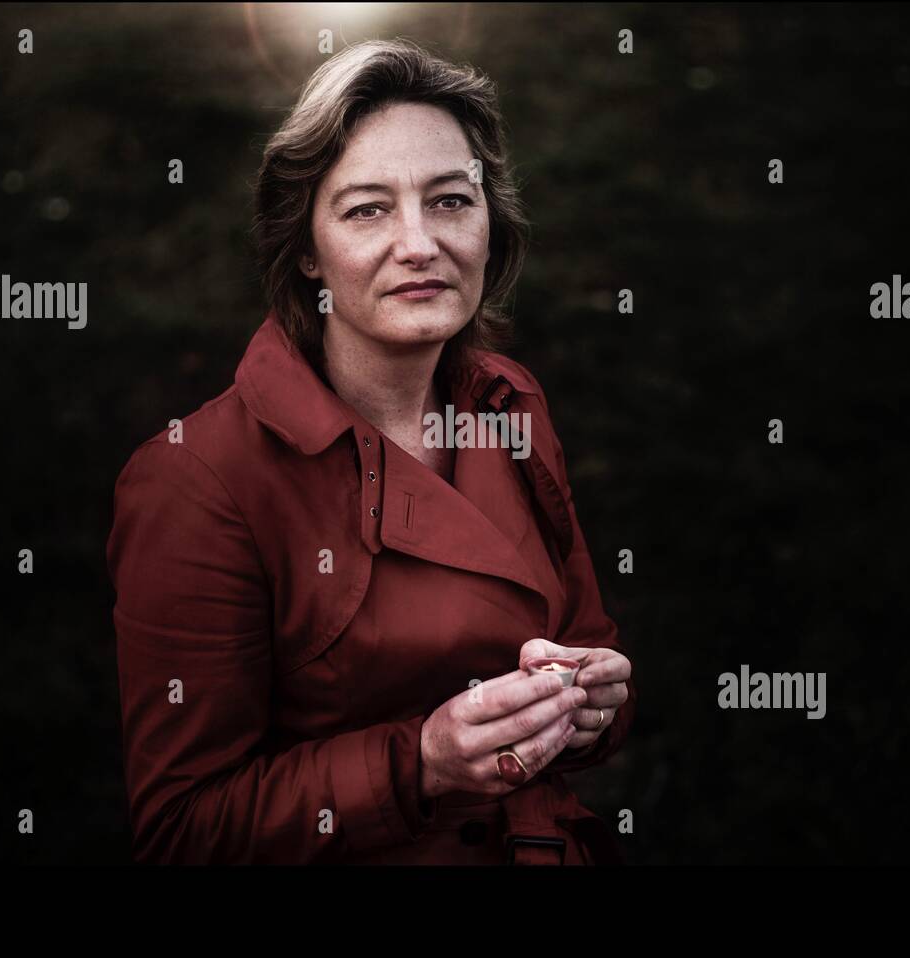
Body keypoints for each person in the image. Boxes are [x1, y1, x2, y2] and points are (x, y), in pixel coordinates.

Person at [107, 38, 636, 865]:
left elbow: (584, 639)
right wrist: (420, 762)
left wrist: (592, 704)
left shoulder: (508, 402)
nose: (420, 243)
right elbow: (184, 830)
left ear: (492, 222)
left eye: (451, 200)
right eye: (368, 209)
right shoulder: (197, 478)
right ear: (308, 248)